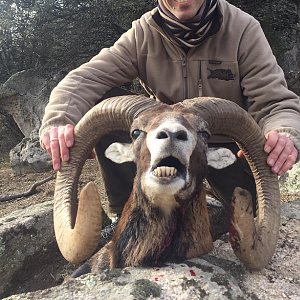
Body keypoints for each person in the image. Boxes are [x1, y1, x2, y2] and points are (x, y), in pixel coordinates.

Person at [40, 0, 300, 237]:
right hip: (164, 143)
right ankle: (124, 216)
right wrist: (59, 120)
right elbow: (85, 79)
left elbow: (275, 102)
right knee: (104, 103)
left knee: (248, 219)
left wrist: (284, 134)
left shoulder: (243, 29)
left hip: (225, 150)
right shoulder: (143, 32)